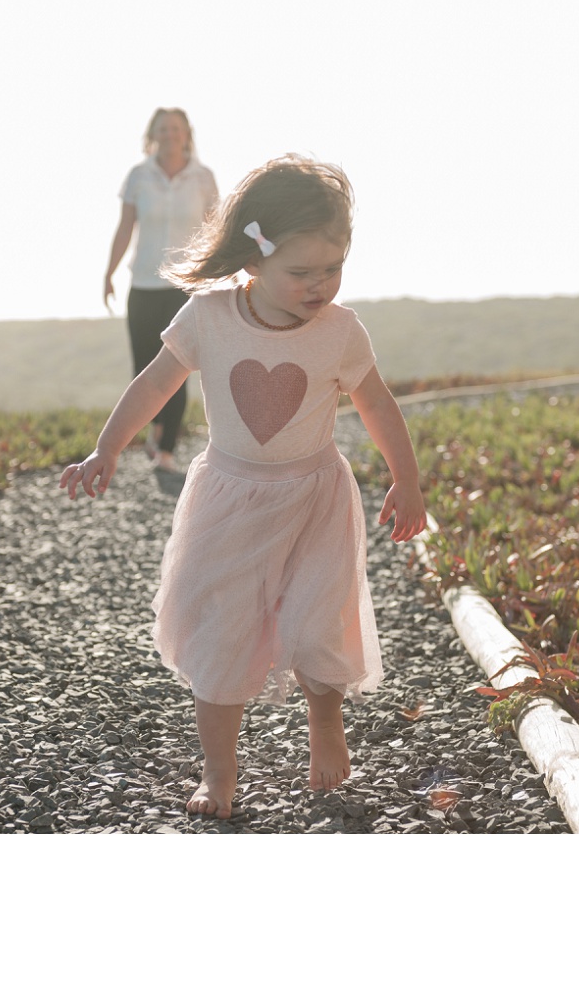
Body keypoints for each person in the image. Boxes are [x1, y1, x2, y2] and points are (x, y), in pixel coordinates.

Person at [61, 154, 427, 819]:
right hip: (229, 500)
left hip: (315, 497)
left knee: (319, 620)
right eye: (301, 271)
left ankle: (325, 720)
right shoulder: (209, 317)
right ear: (253, 259)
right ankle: (220, 774)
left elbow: (377, 405)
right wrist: (107, 447)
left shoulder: (340, 330)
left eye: (333, 267)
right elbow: (154, 383)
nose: (320, 285)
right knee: (220, 635)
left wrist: (406, 479)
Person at [103, 107, 219, 472]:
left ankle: (167, 451)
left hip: (184, 285)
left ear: (187, 134)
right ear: (152, 134)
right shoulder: (139, 176)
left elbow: (215, 229)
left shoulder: (203, 178)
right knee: (144, 367)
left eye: (175, 129)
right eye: (162, 129)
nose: (169, 135)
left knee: (178, 366)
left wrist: (219, 275)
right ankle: (155, 432)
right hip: (143, 284)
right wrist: (108, 273)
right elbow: (125, 228)